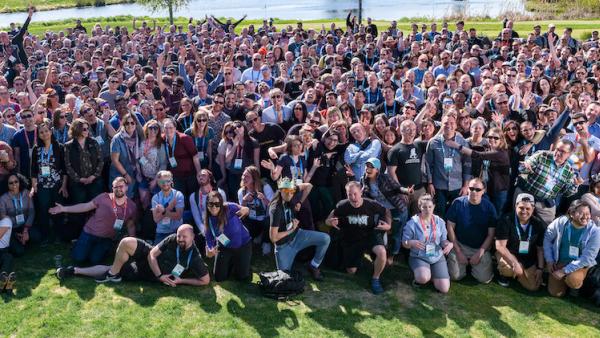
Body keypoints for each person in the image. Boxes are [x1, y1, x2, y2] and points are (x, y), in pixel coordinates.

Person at [57, 224, 210, 287]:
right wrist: (159, 275)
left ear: (193, 238)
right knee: (126, 242)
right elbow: (152, 254)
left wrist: (182, 280)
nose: (180, 239)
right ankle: (113, 274)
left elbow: (205, 280)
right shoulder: (172, 239)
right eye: (179, 236)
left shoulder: (195, 257)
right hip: (152, 263)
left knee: (116, 267)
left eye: (184, 237)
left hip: (146, 272)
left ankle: (74, 270)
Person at [49, 177, 137, 265]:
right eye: (115, 187)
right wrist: (63, 209)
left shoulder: (132, 206)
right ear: (112, 188)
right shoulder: (103, 197)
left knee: (95, 260)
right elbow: (85, 207)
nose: (118, 189)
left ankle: (97, 248)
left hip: (106, 238)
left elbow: (131, 225)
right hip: (89, 233)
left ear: (126, 187)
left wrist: (133, 244)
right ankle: (77, 245)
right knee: (78, 259)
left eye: (121, 186)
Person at [326, 181, 392, 294]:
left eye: (355, 194)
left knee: (382, 252)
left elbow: (386, 211)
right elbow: (330, 218)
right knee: (351, 271)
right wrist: (329, 222)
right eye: (349, 194)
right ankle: (358, 259)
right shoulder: (342, 205)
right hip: (351, 237)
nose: (353, 197)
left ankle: (375, 279)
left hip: (369, 234)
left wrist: (388, 225)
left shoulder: (371, 204)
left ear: (361, 192)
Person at [269, 178, 329, 281]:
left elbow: (309, 186)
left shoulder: (291, 191)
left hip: (297, 236)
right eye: (286, 191)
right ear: (280, 190)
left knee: (325, 238)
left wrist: (300, 202)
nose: (289, 194)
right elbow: (273, 238)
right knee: (284, 279)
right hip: (283, 245)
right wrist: (291, 230)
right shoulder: (276, 209)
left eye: (292, 191)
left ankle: (314, 265)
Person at [517, 139, 582, 225]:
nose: (558, 153)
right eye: (557, 149)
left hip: (545, 202)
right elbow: (524, 167)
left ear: (569, 154)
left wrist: (575, 185)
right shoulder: (542, 155)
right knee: (519, 223)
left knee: (547, 229)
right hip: (528, 195)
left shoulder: (569, 170)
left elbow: (566, 193)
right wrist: (524, 167)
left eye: (562, 151)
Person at [361, 157, 412, 265]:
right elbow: (364, 195)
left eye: (371, 167)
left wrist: (406, 190)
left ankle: (392, 254)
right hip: (381, 211)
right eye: (367, 166)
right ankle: (378, 254)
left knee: (396, 234)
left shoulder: (385, 178)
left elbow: (397, 188)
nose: (368, 169)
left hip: (396, 209)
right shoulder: (363, 179)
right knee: (377, 230)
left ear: (377, 170)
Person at [544, 200, 600, 297]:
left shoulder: (595, 232)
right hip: (560, 262)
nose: (585, 217)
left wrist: (563, 271)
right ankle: (564, 284)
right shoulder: (560, 222)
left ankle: (576, 286)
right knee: (555, 293)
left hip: (581, 265)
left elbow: (586, 258)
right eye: (581, 213)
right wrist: (549, 260)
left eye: (587, 213)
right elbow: (547, 239)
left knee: (573, 280)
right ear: (571, 213)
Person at [446, 178, 497, 284]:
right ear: (467, 189)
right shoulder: (458, 203)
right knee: (455, 276)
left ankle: (471, 265)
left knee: (484, 279)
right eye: (471, 188)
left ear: (483, 191)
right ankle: (465, 265)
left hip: (480, 247)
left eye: (478, 189)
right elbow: (450, 227)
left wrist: (480, 253)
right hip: (460, 245)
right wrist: (458, 251)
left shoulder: (489, 208)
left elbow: (491, 234)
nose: (474, 192)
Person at [402, 194, 453, 293]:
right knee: (423, 278)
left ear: (434, 206)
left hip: (436, 256)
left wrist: (449, 244)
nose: (427, 210)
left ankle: (433, 273)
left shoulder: (440, 222)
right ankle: (421, 277)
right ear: (420, 207)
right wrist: (411, 242)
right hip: (419, 256)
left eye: (430, 207)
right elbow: (404, 242)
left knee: (444, 289)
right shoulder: (412, 223)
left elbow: (443, 240)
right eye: (424, 207)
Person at [495, 193, 546, 290]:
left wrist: (540, 268)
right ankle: (505, 274)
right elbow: (500, 246)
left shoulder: (538, 224)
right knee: (508, 269)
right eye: (521, 207)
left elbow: (540, 249)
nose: (524, 211)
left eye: (528, 209)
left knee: (533, 287)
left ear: (533, 208)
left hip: (527, 258)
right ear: (515, 206)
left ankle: (518, 273)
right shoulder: (506, 219)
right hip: (508, 254)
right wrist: (515, 263)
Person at [425, 114, 472, 219]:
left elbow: (467, 165)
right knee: (439, 215)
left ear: (456, 125)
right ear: (441, 124)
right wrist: (430, 183)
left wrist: (466, 185)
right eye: (446, 123)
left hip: (458, 186)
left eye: (451, 123)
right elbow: (428, 165)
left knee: (456, 215)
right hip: (439, 186)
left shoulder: (463, 142)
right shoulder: (433, 142)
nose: (448, 125)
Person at [29, 121, 68, 243]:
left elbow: (65, 168)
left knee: (57, 210)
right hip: (42, 185)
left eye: (46, 131)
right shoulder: (36, 148)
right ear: (39, 135)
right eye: (41, 132)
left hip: (57, 184)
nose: (44, 133)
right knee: (43, 211)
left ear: (51, 132)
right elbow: (33, 169)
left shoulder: (59, 146)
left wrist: (64, 186)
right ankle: (45, 236)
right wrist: (34, 185)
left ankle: (59, 235)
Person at [204, 191, 252, 282]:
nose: (214, 207)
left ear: (221, 204)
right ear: (207, 205)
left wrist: (245, 209)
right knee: (219, 278)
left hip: (243, 245)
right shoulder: (208, 221)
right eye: (211, 204)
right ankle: (232, 263)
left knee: (242, 278)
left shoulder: (229, 207)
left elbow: (245, 209)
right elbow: (209, 240)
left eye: (217, 204)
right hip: (225, 247)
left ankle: (238, 264)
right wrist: (210, 251)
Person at [238, 166, 274, 255]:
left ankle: (266, 242)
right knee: (243, 226)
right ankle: (257, 235)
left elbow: (274, 206)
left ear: (254, 179)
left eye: (247, 176)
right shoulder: (241, 192)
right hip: (251, 220)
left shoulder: (265, 187)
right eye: (243, 175)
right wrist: (244, 201)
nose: (243, 178)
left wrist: (264, 199)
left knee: (269, 220)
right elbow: (241, 212)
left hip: (265, 219)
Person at [109, 113, 145, 198]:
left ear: (136, 124)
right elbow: (115, 160)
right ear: (123, 124)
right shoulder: (117, 139)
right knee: (122, 199)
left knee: (135, 200)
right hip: (120, 174)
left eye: (132, 123)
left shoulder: (139, 137)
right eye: (127, 123)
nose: (130, 125)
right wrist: (126, 175)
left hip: (135, 173)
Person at [151, 170, 185, 244]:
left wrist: (163, 211)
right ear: (158, 183)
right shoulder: (155, 198)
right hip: (161, 233)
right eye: (162, 182)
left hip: (177, 231)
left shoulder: (178, 195)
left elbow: (178, 216)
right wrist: (170, 207)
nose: (165, 184)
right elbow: (156, 219)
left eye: (167, 181)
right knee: (154, 254)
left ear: (171, 181)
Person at [0, 217, 15, 293]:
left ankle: (3, 282)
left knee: (8, 258)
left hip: (2, 251)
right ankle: (6, 285)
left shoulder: (5, 221)